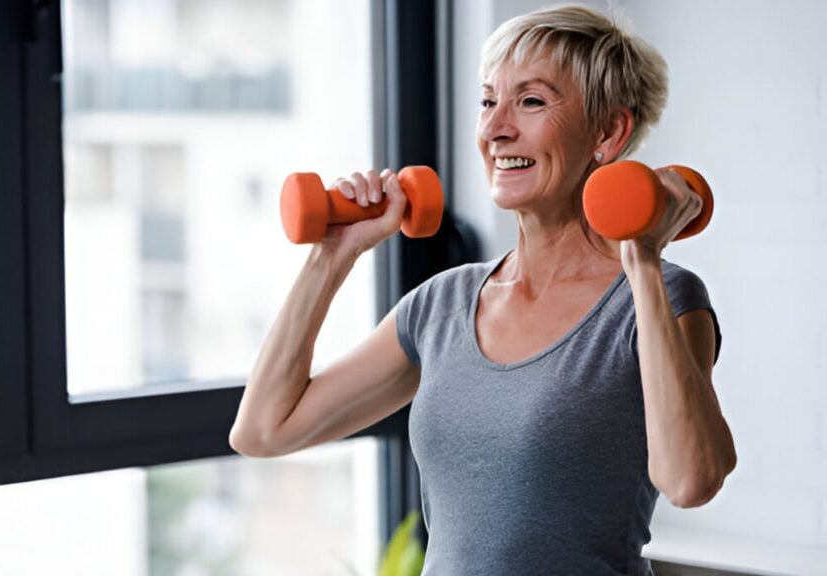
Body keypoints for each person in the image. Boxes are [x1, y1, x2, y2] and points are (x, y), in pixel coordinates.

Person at [229, 5, 736, 574]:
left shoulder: (660, 298)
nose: (496, 128)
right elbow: (263, 430)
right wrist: (332, 256)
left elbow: (692, 480)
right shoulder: (441, 305)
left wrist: (640, 257)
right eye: (489, 100)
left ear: (608, 132)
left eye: (532, 101)